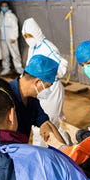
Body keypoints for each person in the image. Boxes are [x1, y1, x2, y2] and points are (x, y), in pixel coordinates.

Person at [21, 18, 68, 146]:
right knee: (57, 122)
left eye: (29, 35)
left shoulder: (49, 48)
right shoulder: (33, 47)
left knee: (44, 125)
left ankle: (42, 153)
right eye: (25, 36)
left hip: (50, 89)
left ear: (36, 32)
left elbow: (62, 67)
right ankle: (67, 149)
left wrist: (46, 78)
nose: (27, 38)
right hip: (39, 88)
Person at [9, 54, 66, 144]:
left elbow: (46, 123)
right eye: (47, 87)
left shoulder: (31, 100)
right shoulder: (5, 97)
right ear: (38, 82)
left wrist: (65, 150)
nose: (47, 91)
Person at [0, 1, 22, 76]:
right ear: (0, 7)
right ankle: (6, 68)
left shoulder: (11, 16)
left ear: (8, 7)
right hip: (2, 38)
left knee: (15, 53)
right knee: (4, 54)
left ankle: (18, 67)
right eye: (3, 6)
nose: (4, 7)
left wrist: (14, 37)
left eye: (5, 6)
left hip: (11, 38)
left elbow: (15, 27)